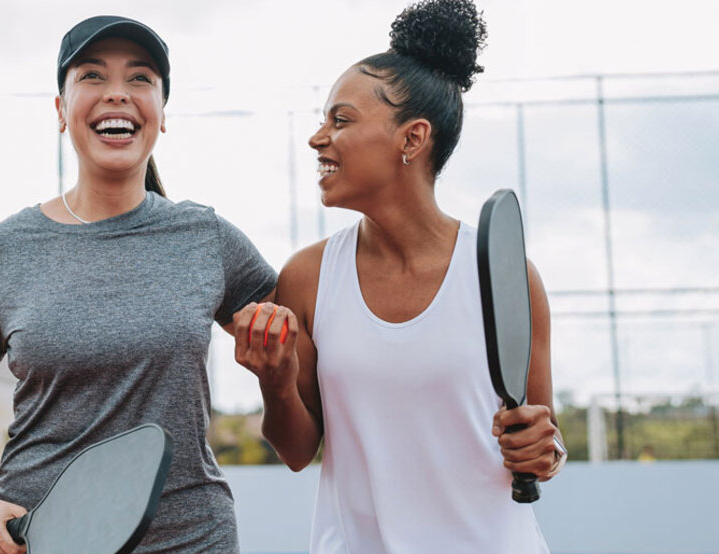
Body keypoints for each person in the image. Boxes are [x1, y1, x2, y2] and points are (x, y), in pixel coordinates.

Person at [0, 16, 277, 553]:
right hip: (39, 540)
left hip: (192, 538)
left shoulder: (206, 237)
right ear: (61, 111)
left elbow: (307, 337)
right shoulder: (2, 252)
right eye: (92, 76)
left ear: (162, 113)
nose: (117, 94)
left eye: (140, 79)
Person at [233, 0, 564, 551]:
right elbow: (295, 451)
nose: (318, 138)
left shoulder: (505, 277)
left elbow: (542, 441)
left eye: (340, 120)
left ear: (412, 139)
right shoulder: (308, 277)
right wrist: (274, 377)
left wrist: (545, 449)